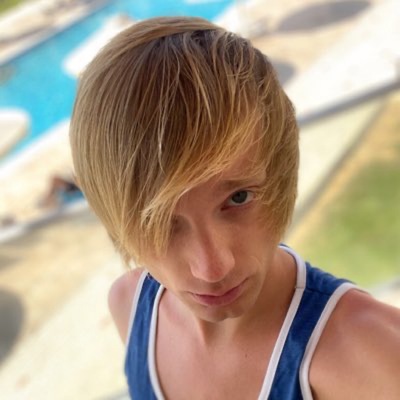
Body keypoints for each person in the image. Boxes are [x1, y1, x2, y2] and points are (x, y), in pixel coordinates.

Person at [69, 17, 400, 400]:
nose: (212, 268)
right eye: (158, 221)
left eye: (239, 197)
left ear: (279, 173)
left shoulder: (370, 355)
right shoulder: (130, 306)